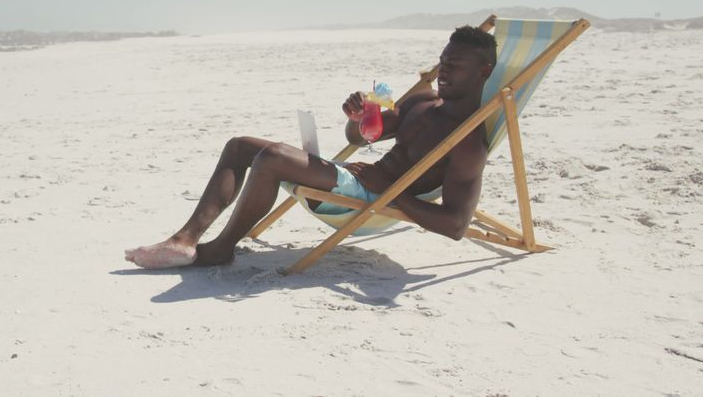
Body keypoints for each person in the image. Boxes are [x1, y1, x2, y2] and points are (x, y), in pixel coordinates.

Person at [125, 26, 497, 269]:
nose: (444, 72)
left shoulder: (466, 140)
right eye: (443, 62)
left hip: (372, 199)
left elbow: (455, 224)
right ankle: (184, 240)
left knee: (271, 158)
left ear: (483, 71)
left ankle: (222, 248)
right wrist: (356, 117)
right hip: (355, 181)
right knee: (239, 146)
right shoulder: (422, 102)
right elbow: (361, 138)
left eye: (456, 66)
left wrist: (392, 194)